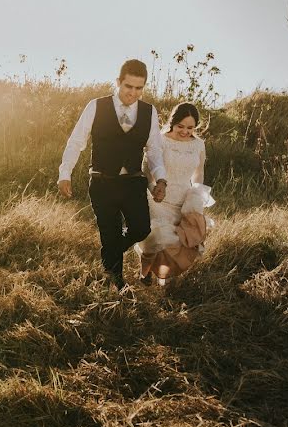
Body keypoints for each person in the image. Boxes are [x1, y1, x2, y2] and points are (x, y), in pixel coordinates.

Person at [57, 59, 167, 290]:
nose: (133, 93)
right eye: (129, 87)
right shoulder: (96, 106)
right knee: (110, 231)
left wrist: (161, 179)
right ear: (118, 82)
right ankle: (116, 283)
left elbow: (154, 149)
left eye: (139, 88)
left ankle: (109, 258)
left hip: (134, 182)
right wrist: (64, 172)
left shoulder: (149, 112)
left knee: (141, 228)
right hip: (102, 181)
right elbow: (77, 141)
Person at [135, 101, 215, 284]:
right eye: (181, 126)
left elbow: (199, 172)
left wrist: (196, 193)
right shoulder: (160, 141)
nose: (185, 131)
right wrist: (152, 188)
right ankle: (144, 272)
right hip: (159, 199)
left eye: (191, 127)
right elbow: (147, 170)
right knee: (156, 237)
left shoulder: (199, 145)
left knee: (176, 242)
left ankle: (165, 276)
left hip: (184, 199)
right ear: (173, 122)